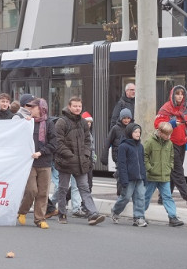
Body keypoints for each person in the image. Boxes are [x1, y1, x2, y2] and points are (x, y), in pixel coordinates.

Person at [52, 96, 105, 225]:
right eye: (75, 106)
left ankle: (93, 214)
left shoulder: (83, 122)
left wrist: (86, 154)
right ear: (69, 107)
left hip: (81, 162)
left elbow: (88, 141)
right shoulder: (61, 122)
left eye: (79, 106)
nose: (77, 108)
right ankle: (62, 213)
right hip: (65, 161)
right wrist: (70, 156)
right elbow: (58, 143)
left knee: (84, 188)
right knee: (63, 188)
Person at [154, 86, 187, 208]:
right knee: (178, 172)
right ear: (172, 95)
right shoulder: (166, 109)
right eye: (177, 94)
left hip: (182, 144)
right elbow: (157, 124)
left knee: (172, 173)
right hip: (169, 144)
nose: (180, 96)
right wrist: (172, 123)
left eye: (182, 94)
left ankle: (163, 197)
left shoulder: (184, 110)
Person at [16, 98, 55, 229]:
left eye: (34, 107)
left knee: (43, 193)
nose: (31, 109)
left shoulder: (49, 124)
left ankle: (39, 219)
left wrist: (41, 152)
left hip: (45, 162)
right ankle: (22, 211)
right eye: (30, 107)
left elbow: (53, 143)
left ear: (41, 109)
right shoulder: (27, 122)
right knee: (31, 190)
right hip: (30, 163)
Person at [144, 122, 185, 226]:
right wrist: (149, 168)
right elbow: (144, 156)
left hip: (165, 175)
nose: (168, 137)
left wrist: (169, 167)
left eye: (170, 134)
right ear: (160, 132)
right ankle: (139, 215)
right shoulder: (150, 142)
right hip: (152, 176)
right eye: (166, 134)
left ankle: (173, 217)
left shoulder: (169, 143)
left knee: (168, 197)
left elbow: (171, 156)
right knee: (146, 196)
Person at [110, 124, 148, 226]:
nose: (138, 134)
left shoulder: (140, 146)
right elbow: (121, 164)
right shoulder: (123, 146)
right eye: (135, 132)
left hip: (139, 178)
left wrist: (144, 176)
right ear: (130, 133)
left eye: (139, 132)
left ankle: (139, 217)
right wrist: (124, 179)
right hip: (129, 178)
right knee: (125, 197)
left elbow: (142, 162)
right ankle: (115, 211)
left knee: (140, 197)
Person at [101, 108, 132, 196]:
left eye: (128, 118)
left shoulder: (132, 127)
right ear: (121, 118)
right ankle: (120, 194)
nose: (126, 120)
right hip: (118, 156)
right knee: (121, 174)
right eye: (124, 118)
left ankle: (124, 192)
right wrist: (104, 156)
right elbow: (108, 142)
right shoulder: (115, 128)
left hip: (129, 156)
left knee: (127, 174)